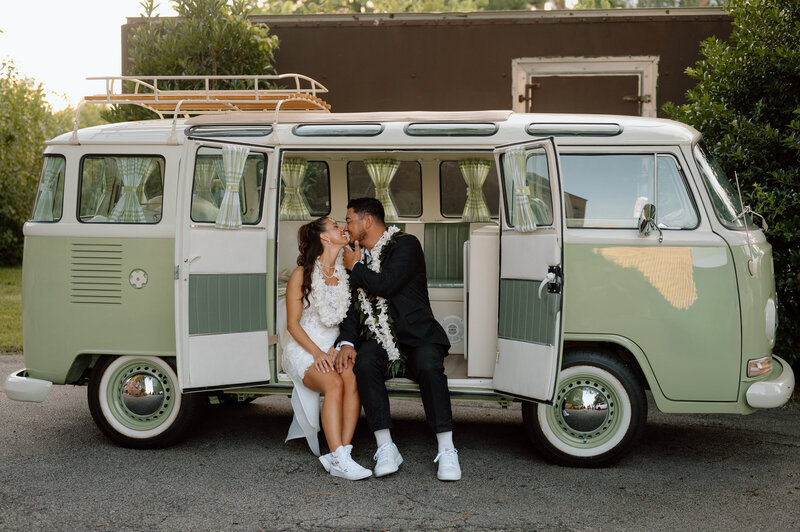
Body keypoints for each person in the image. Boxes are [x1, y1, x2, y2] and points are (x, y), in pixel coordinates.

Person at [335, 198, 462, 481]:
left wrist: (356, 268)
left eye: (348, 220)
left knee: (430, 366)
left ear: (367, 221)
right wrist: (346, 342)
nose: (346, 227)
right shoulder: (353, 258)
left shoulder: (406, 245)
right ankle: (386, 446)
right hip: (380, 339)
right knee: (365, 363)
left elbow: (387, 284)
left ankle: (447, 449)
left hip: (418, 335)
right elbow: (352, 308)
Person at [283, 217, 372, 480]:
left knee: (351, 377)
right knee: (333, 384)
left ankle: (341, 455)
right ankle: (340, 456)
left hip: (333, 346)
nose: (342, 228)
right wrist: (317, 353)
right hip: (305, 347)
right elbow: (292, 324)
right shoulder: (302, 274)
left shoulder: (346, 274)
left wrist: (336, 347)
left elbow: (348, 320)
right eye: (335, 226)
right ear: (324, 237)